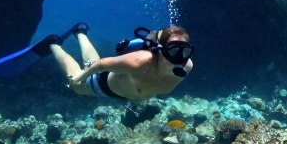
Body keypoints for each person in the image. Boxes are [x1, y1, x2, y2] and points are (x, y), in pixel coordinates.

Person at [49, 24, 193, 101]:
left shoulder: (187, 65)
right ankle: (53, 44)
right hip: (104, 86)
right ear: (160, 50)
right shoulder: (140, 60)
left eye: (185, 51)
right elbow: (103, 64)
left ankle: (80, 32)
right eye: (173, 51)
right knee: (77, 86)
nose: (179, 57)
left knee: (92, 62)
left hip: (125, 94)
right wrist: (81, 76)